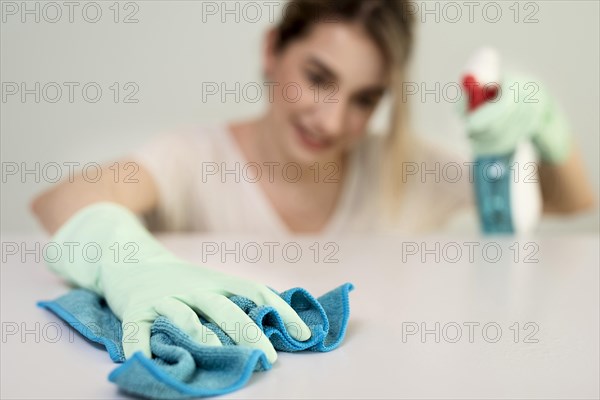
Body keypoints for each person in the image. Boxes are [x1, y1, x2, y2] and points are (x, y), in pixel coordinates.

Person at [30, 0, 594, 364]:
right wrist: (130, 260)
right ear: (273, 50)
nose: (330, 120)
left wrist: (546, 129)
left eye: (363, 100)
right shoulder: (193, 158)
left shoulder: (400, 169)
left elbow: (573, 202)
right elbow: (60, 202)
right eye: (318, 78)